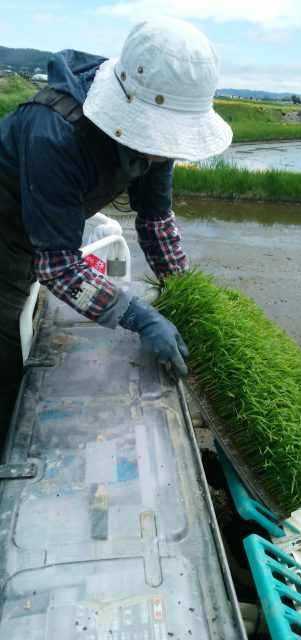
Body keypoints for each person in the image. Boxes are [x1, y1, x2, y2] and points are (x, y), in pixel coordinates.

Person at [0, 16, 233, 440]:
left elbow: (156, 222)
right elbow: (59, 266)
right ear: (128, 111)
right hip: (5, 239)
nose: (163, 154)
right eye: (159, 141)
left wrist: (184, 291)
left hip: (40, 232)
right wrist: (139, 316)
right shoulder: (54, 132)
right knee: (5, 370)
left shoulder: (155, 141)